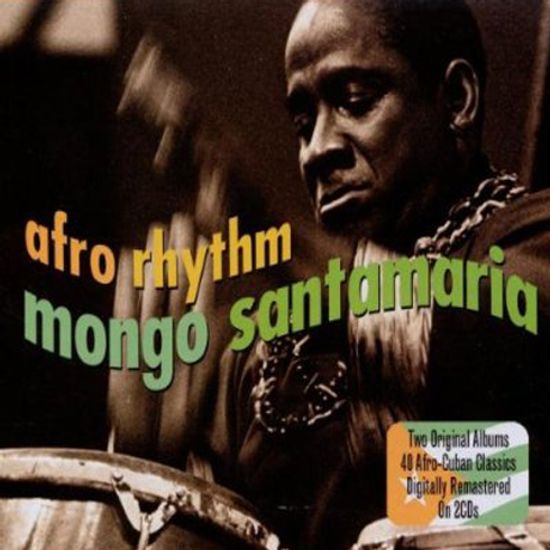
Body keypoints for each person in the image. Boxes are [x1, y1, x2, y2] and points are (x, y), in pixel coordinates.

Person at [200, 1, 550, 549]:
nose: (317, 149)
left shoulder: (532, 241)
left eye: (355, 102)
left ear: (457, 100)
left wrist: (280, 237)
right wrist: (153, 462)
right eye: (303, 124)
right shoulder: (268, 352)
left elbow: (512, 474)